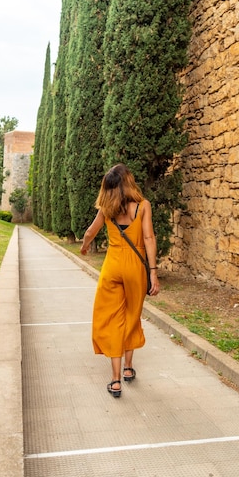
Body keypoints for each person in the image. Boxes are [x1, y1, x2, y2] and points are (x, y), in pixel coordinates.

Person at [80, 163, 160, 398]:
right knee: (131, 316)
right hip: (135, 268)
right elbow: (149, 237)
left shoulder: (106, 208)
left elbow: (89, 232)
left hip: (112, 266)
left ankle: (115, 381)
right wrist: (153, 272)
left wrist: (85, 247)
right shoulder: (143, 206)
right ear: (129, 182)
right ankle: (128, 368)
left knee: (112, 318)